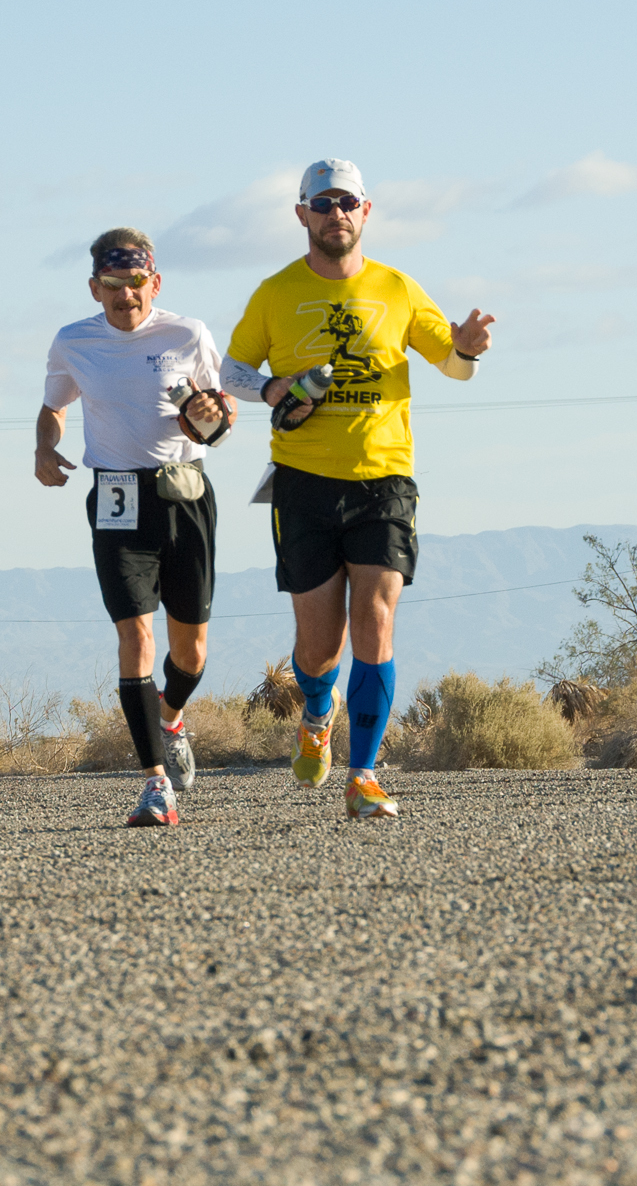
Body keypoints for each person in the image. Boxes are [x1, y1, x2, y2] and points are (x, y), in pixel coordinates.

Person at [219, 160, 495, 820]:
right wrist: (268, 390)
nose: (335, 212)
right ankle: (317, 709)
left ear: (365, 212)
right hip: (302, 484)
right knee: (318, 649)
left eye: (347, 202)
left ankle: (364, 775)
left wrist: (466, 347)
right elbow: (230, 372)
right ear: (301, 215)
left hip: (384, 481)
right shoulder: (273, 292)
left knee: (374, 622)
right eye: (322, 202)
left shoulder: (397, 288)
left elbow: (452, 366)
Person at [36, 228, 235, 827]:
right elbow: (53, 408)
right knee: (135, 638)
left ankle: (169, 715)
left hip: (185, 491)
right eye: (114, 286)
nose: (127, 297)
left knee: (191, 653)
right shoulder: (74, 341)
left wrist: (211, 418)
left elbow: (223, 421)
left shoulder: (188, 333)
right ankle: (154, 786)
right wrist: (44, 449)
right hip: (115, 497)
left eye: (136, 284)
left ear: (155, 282)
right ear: (95, 287)